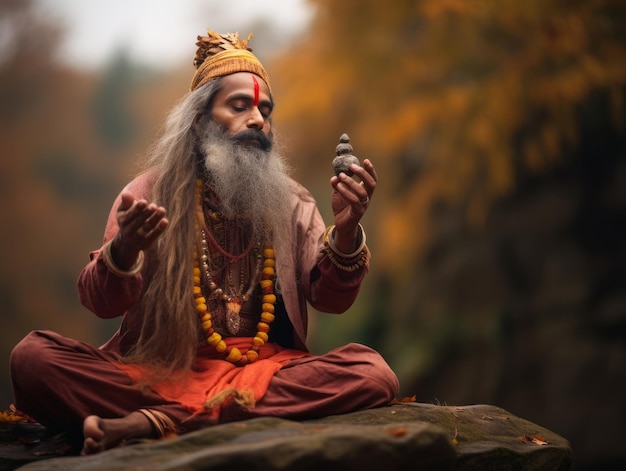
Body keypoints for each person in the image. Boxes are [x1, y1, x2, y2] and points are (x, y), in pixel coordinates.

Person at [9, 29, 399, 455]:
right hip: (162, 369)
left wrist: (345, 232)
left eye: (265, 110)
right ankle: (205, 416)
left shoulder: (291, 200)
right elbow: (101, 303)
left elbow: (329, 299)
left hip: (263, 370)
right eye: (239, 105)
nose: (257, 120)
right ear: (200, 120)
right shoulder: (148, 194)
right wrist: (124, 250)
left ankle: (157, 420)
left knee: (373, 372)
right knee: (32, 359)